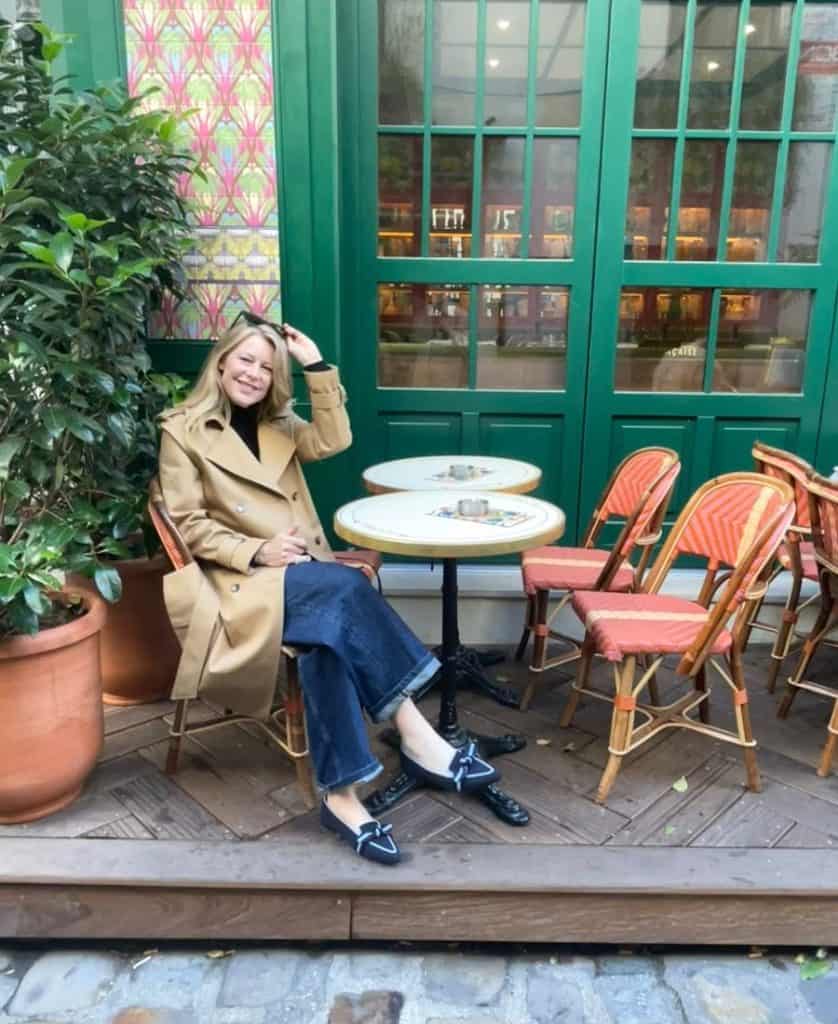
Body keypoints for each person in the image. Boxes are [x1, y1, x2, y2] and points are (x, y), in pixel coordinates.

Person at [157, 313, 498, 865]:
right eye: (245, 360)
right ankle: (420, 737)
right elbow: (187, 522)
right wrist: (256, 550)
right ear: (220, 361)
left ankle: (342, 800)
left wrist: (314, 363)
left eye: (266, 368)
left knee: (327, 640)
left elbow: (334, 438)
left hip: (299, 576)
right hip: (241, 583)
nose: (253, 375)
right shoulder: (181, 431)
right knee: (343, 590)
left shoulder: (279, 424)